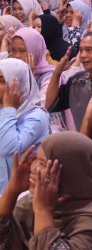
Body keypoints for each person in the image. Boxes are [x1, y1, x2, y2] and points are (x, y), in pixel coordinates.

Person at [0, 58, 49, 192]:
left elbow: (9, 148)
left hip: (24, 195)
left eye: (2, 81)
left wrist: (9, 108)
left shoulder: (37, 117)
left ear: (19, 84)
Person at [46, 32, 92, 130]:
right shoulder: (77, 81)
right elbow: (49, 104)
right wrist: (57, 73)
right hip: (83, 138)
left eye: (88, 50)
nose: (83, 55)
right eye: (81, 50)